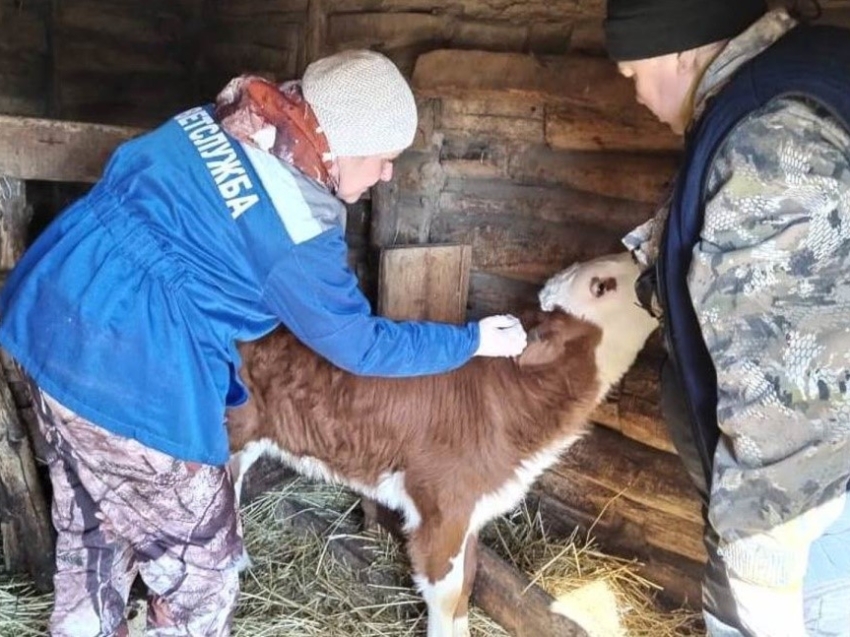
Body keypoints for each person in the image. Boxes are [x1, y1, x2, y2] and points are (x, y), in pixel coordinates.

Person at [0, 50, 527, 636]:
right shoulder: (297, 232)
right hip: (131, 367)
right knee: (204, 575)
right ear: (341, 144)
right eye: (383, 159)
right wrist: (469, 341)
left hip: (49, 312)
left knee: (94, 526)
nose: (386, 176)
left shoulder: (226, 116)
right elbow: (359, 347)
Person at [603, 1, 850, 635]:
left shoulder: (772, 144)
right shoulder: (813, 71)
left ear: (681, 49)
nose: (633, 94)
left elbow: (796, 421)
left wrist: (762, 591)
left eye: (633, 74)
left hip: (817, 531)